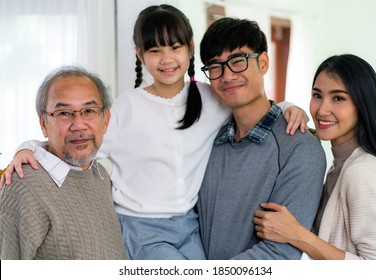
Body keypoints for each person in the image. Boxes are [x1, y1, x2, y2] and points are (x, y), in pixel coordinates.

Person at [0, 5, 307, 260]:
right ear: (140, 54)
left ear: (189, 50)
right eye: (155, 50)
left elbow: (250, 103)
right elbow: (81, 140)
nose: (166, 58)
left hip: (190, 226)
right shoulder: (125, 108)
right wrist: (28, 147)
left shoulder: (211, 99)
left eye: (175, 47)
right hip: (141, 228)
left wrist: (289, 107)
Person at [197, 17, 326, 260]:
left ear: (263, 62)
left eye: (237, 61)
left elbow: (280, 254)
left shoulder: (300, 148)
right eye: (215, 66)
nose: (226, 76)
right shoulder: (209, 139)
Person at [253, 54, 376, 260]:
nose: (321, 109)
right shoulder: (342, 163)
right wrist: (290, 107)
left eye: (338, 98)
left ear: (363, 105)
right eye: (317, 95)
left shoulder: (362, 172)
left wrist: (296, 234)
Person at [0, 66, 127, 259]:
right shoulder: (24, 185)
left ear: (105, 120)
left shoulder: (100, 175)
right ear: (43, 123)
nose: (78, 124)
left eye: (89, 110)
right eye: (64, 113)